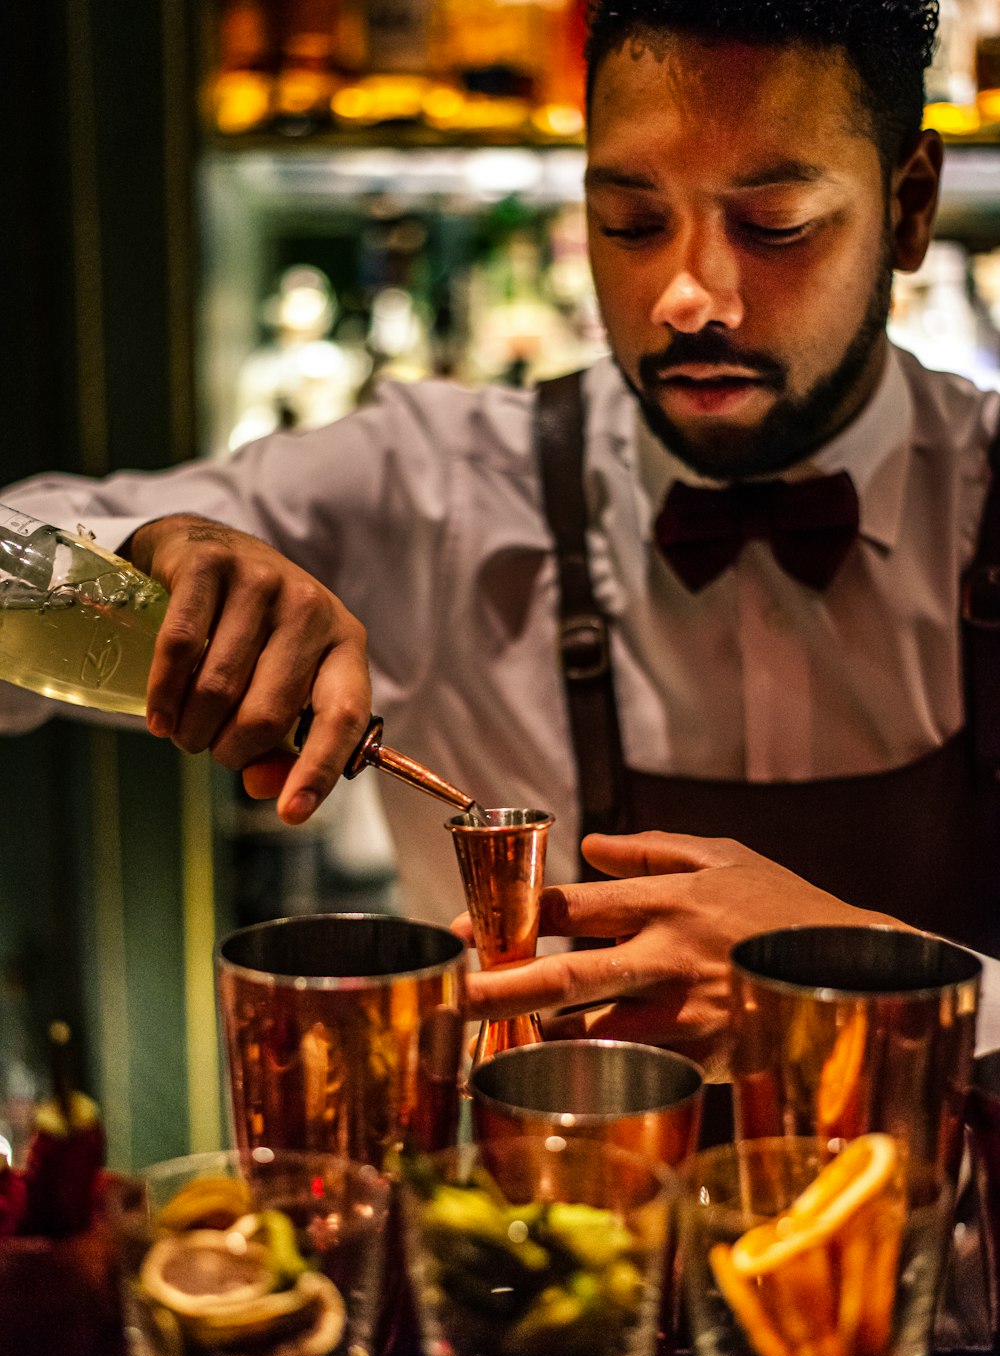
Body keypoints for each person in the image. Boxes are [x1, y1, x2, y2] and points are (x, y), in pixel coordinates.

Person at [2, 0, 998, 1050]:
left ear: (910, 203)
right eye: (630, 222)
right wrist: (149, 556)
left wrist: (872, 992)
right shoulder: (435, 484)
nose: (688, 298)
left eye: (773, 224)